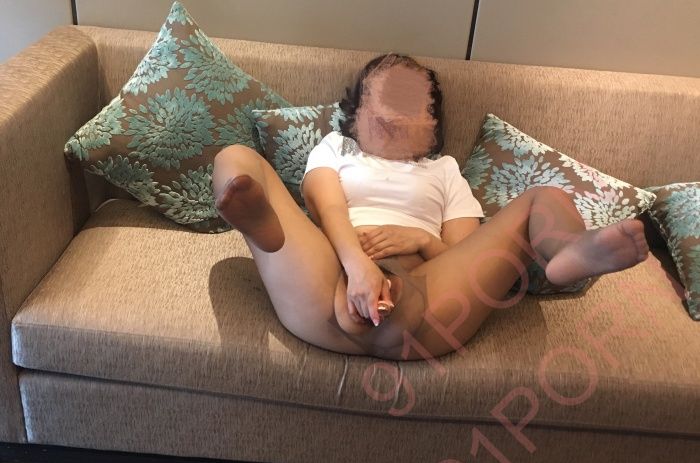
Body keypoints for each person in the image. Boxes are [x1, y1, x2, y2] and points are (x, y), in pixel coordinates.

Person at [211, 53, 650, 361]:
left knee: (545, 197)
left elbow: (462, 254)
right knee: (236, 158)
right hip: (324, 280)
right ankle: (263, 227)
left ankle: (567, 251)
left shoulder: (444, 170)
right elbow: (327, 210)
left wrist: (420, 239)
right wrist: (359, 266)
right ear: (358, 111)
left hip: (428, 303)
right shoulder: (336, 148)